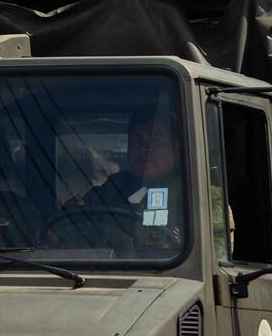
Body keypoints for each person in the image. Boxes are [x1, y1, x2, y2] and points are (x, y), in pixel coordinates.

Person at [49, 107, 199, 253]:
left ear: (177, 150)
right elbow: (74, 216)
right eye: (136, 140)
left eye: (156, 140)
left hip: (168, 273)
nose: (144, 148)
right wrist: (55, 234)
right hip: (108, 270)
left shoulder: (194, 191)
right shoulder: (116, 186)